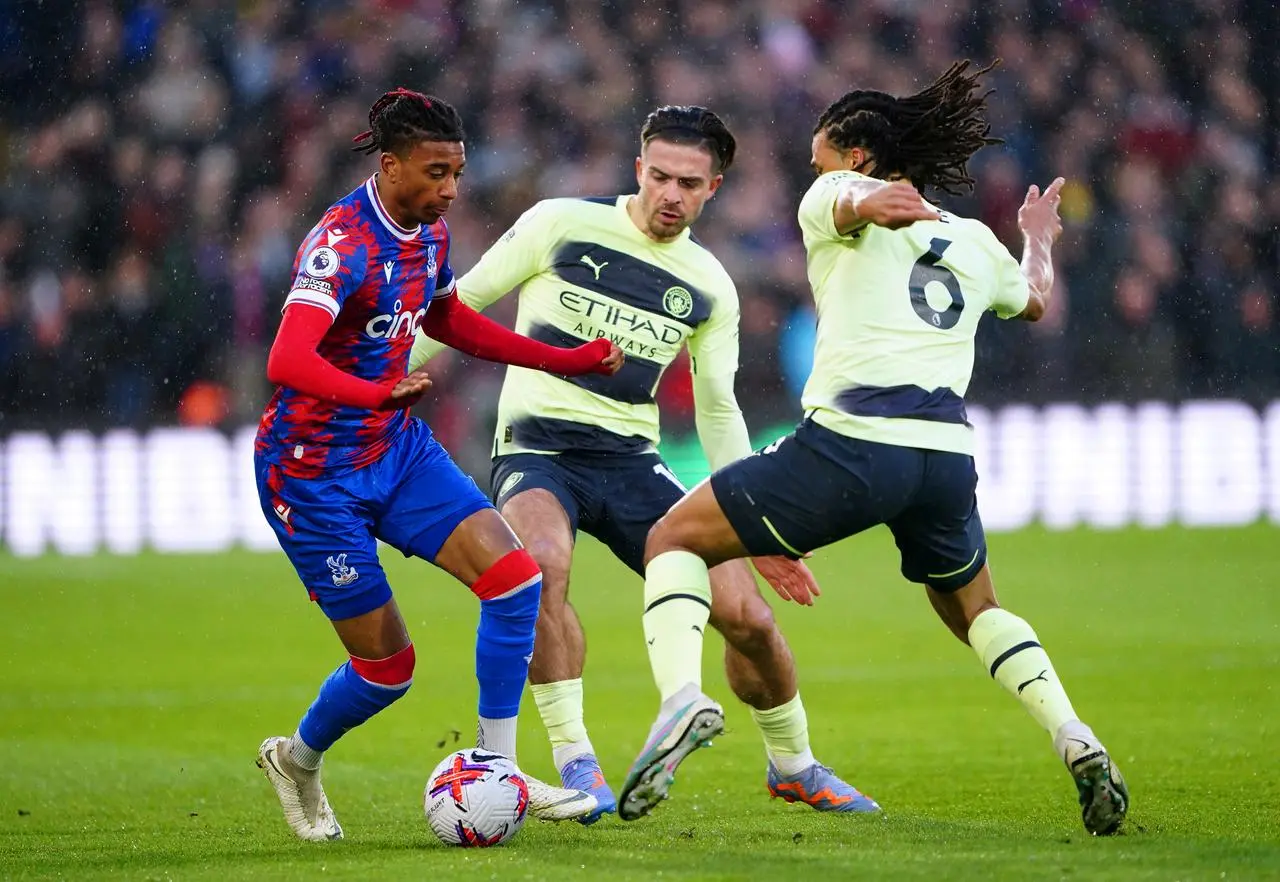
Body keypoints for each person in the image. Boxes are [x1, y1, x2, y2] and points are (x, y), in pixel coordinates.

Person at [616, 63, 1130, 836]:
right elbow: (1035, 299)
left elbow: (851, 202)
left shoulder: (831, 193)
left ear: (852, 155)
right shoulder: (974, 239)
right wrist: (1037, 241)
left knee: (672, 538)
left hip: (856, 443)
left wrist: (871, 199)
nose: (812, 169)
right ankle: (1077, 738)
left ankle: (681, 700)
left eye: (821, 156)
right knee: (977, 610)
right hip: (945, 458)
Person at [409, 105, 876, 823]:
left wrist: (757, 522)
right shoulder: (558, 223)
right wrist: (378, 383)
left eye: (688, 184)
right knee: (537, 568)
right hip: (539, 448)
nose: (670, 195)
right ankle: (579, 765)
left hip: (631, 461)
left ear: (712, 188)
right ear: (638, 170)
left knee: (747, 615)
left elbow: (719, 411)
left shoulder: (709, 284)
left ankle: (795, 766)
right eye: (659, 176)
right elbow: (460, 303)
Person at [252, 87, 624, 842]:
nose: (450, 189)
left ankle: (500, 771)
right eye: (435, 173)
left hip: (393, 447)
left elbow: (447, 318)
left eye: (457, 172)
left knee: (516, 581)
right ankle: (296, 759)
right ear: (388, 166)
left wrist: (564, 359)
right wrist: (374, 389)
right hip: (312, 474)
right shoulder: (341, 243)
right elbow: (285, 357)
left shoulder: (427, 234)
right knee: (389, 671)